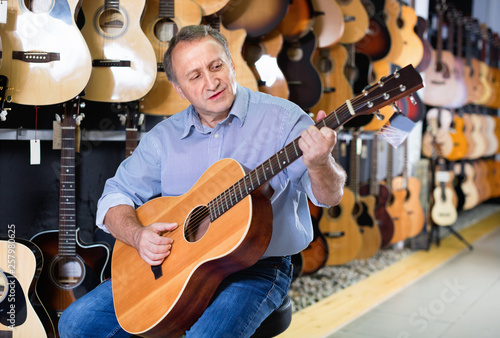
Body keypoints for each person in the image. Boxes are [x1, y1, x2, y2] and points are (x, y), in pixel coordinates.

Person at [58, 24, 347, 337]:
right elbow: (115, 198)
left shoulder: (284, 119)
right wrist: (139, 235)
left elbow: (328, 196)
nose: (211, 82)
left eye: (216, 66)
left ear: (232, 64)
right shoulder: (164, 138)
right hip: (177, 266)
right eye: (195, 76)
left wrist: (321, 163)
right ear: (180, 90)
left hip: (258, 268)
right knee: (76, 324)